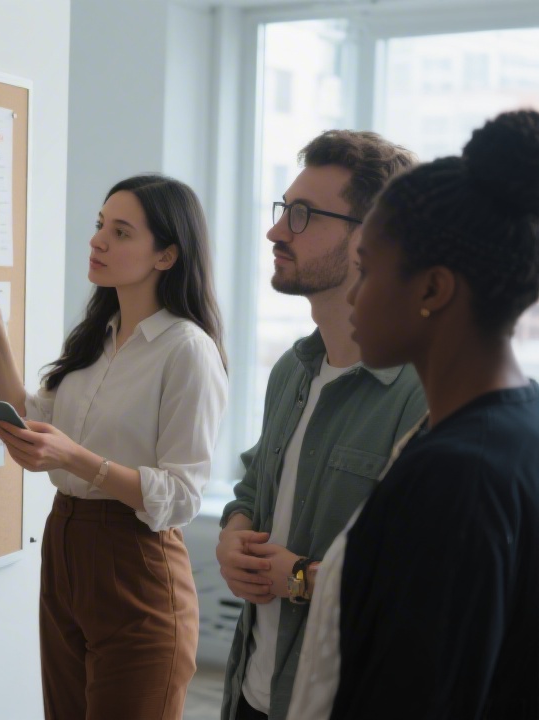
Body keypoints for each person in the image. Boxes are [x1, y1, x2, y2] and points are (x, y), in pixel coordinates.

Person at [290, 109, 539, 720]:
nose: (354, 295)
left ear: (432, 289)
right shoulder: (515, 425)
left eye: (369, 270)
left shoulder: (458, 476)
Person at [0, 174, 227, 719]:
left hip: (136, 561)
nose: (98, 240)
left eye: (121, 232)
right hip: (65, 547)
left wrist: (74, 458)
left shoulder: (187, 350)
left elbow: (181, 496)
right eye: (100, 225)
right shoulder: (97, 337)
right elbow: (37, 418)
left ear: (166, 256)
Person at [216, 130, 426, 720]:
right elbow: (254, 486)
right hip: (252, 691)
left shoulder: (423, 393)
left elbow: (423, 580)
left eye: (303, 215)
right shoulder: (293, 370)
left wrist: (301, 578)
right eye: (284, 209)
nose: (276, 231)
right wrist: (234, 532)